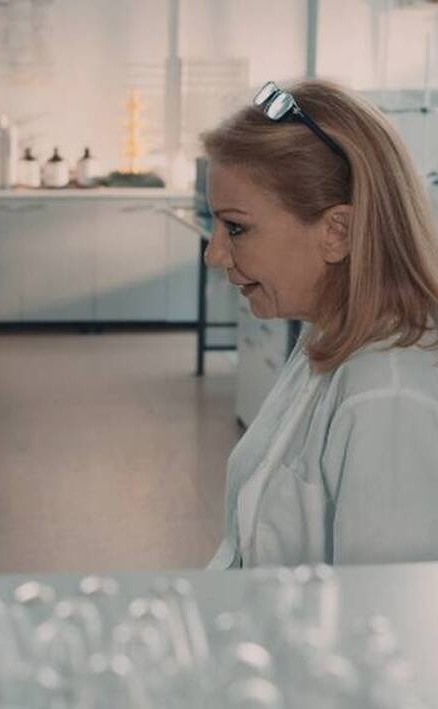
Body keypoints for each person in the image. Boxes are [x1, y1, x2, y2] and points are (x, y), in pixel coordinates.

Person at [202, 79, 438, 568]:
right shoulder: (331, 336)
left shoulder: (388, 394)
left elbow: (384, 606)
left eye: (236, 227)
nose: (214, 254)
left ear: (337, 232)